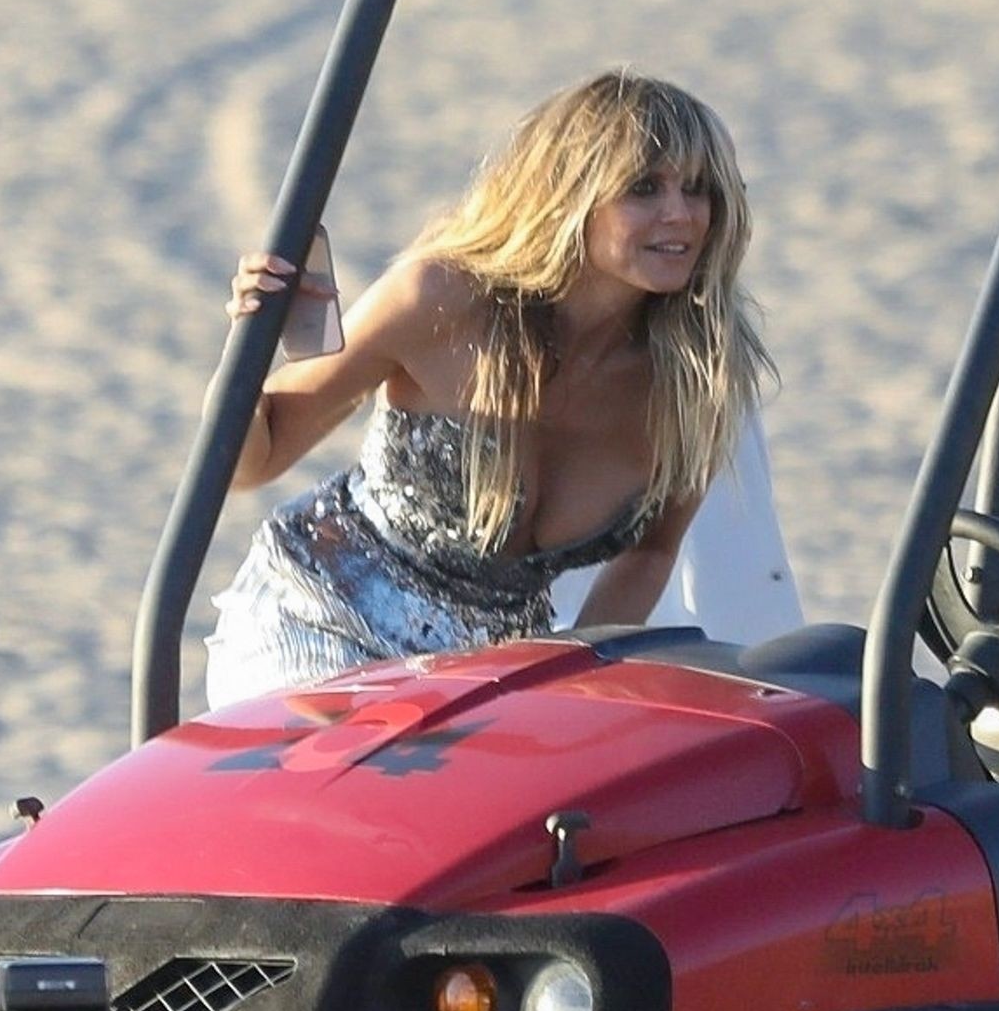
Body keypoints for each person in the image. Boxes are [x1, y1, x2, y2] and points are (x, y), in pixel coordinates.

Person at [203, 71, 774, 706]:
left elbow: (651, 553)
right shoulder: (440, 299)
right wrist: (248, 346)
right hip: (318, 613)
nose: (681, 214)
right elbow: (252, 462)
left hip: (490, 671)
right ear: (570, 194)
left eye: (698, 189)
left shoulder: (698, 373)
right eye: (644, 188)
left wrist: (571, 675)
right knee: (361, 764)